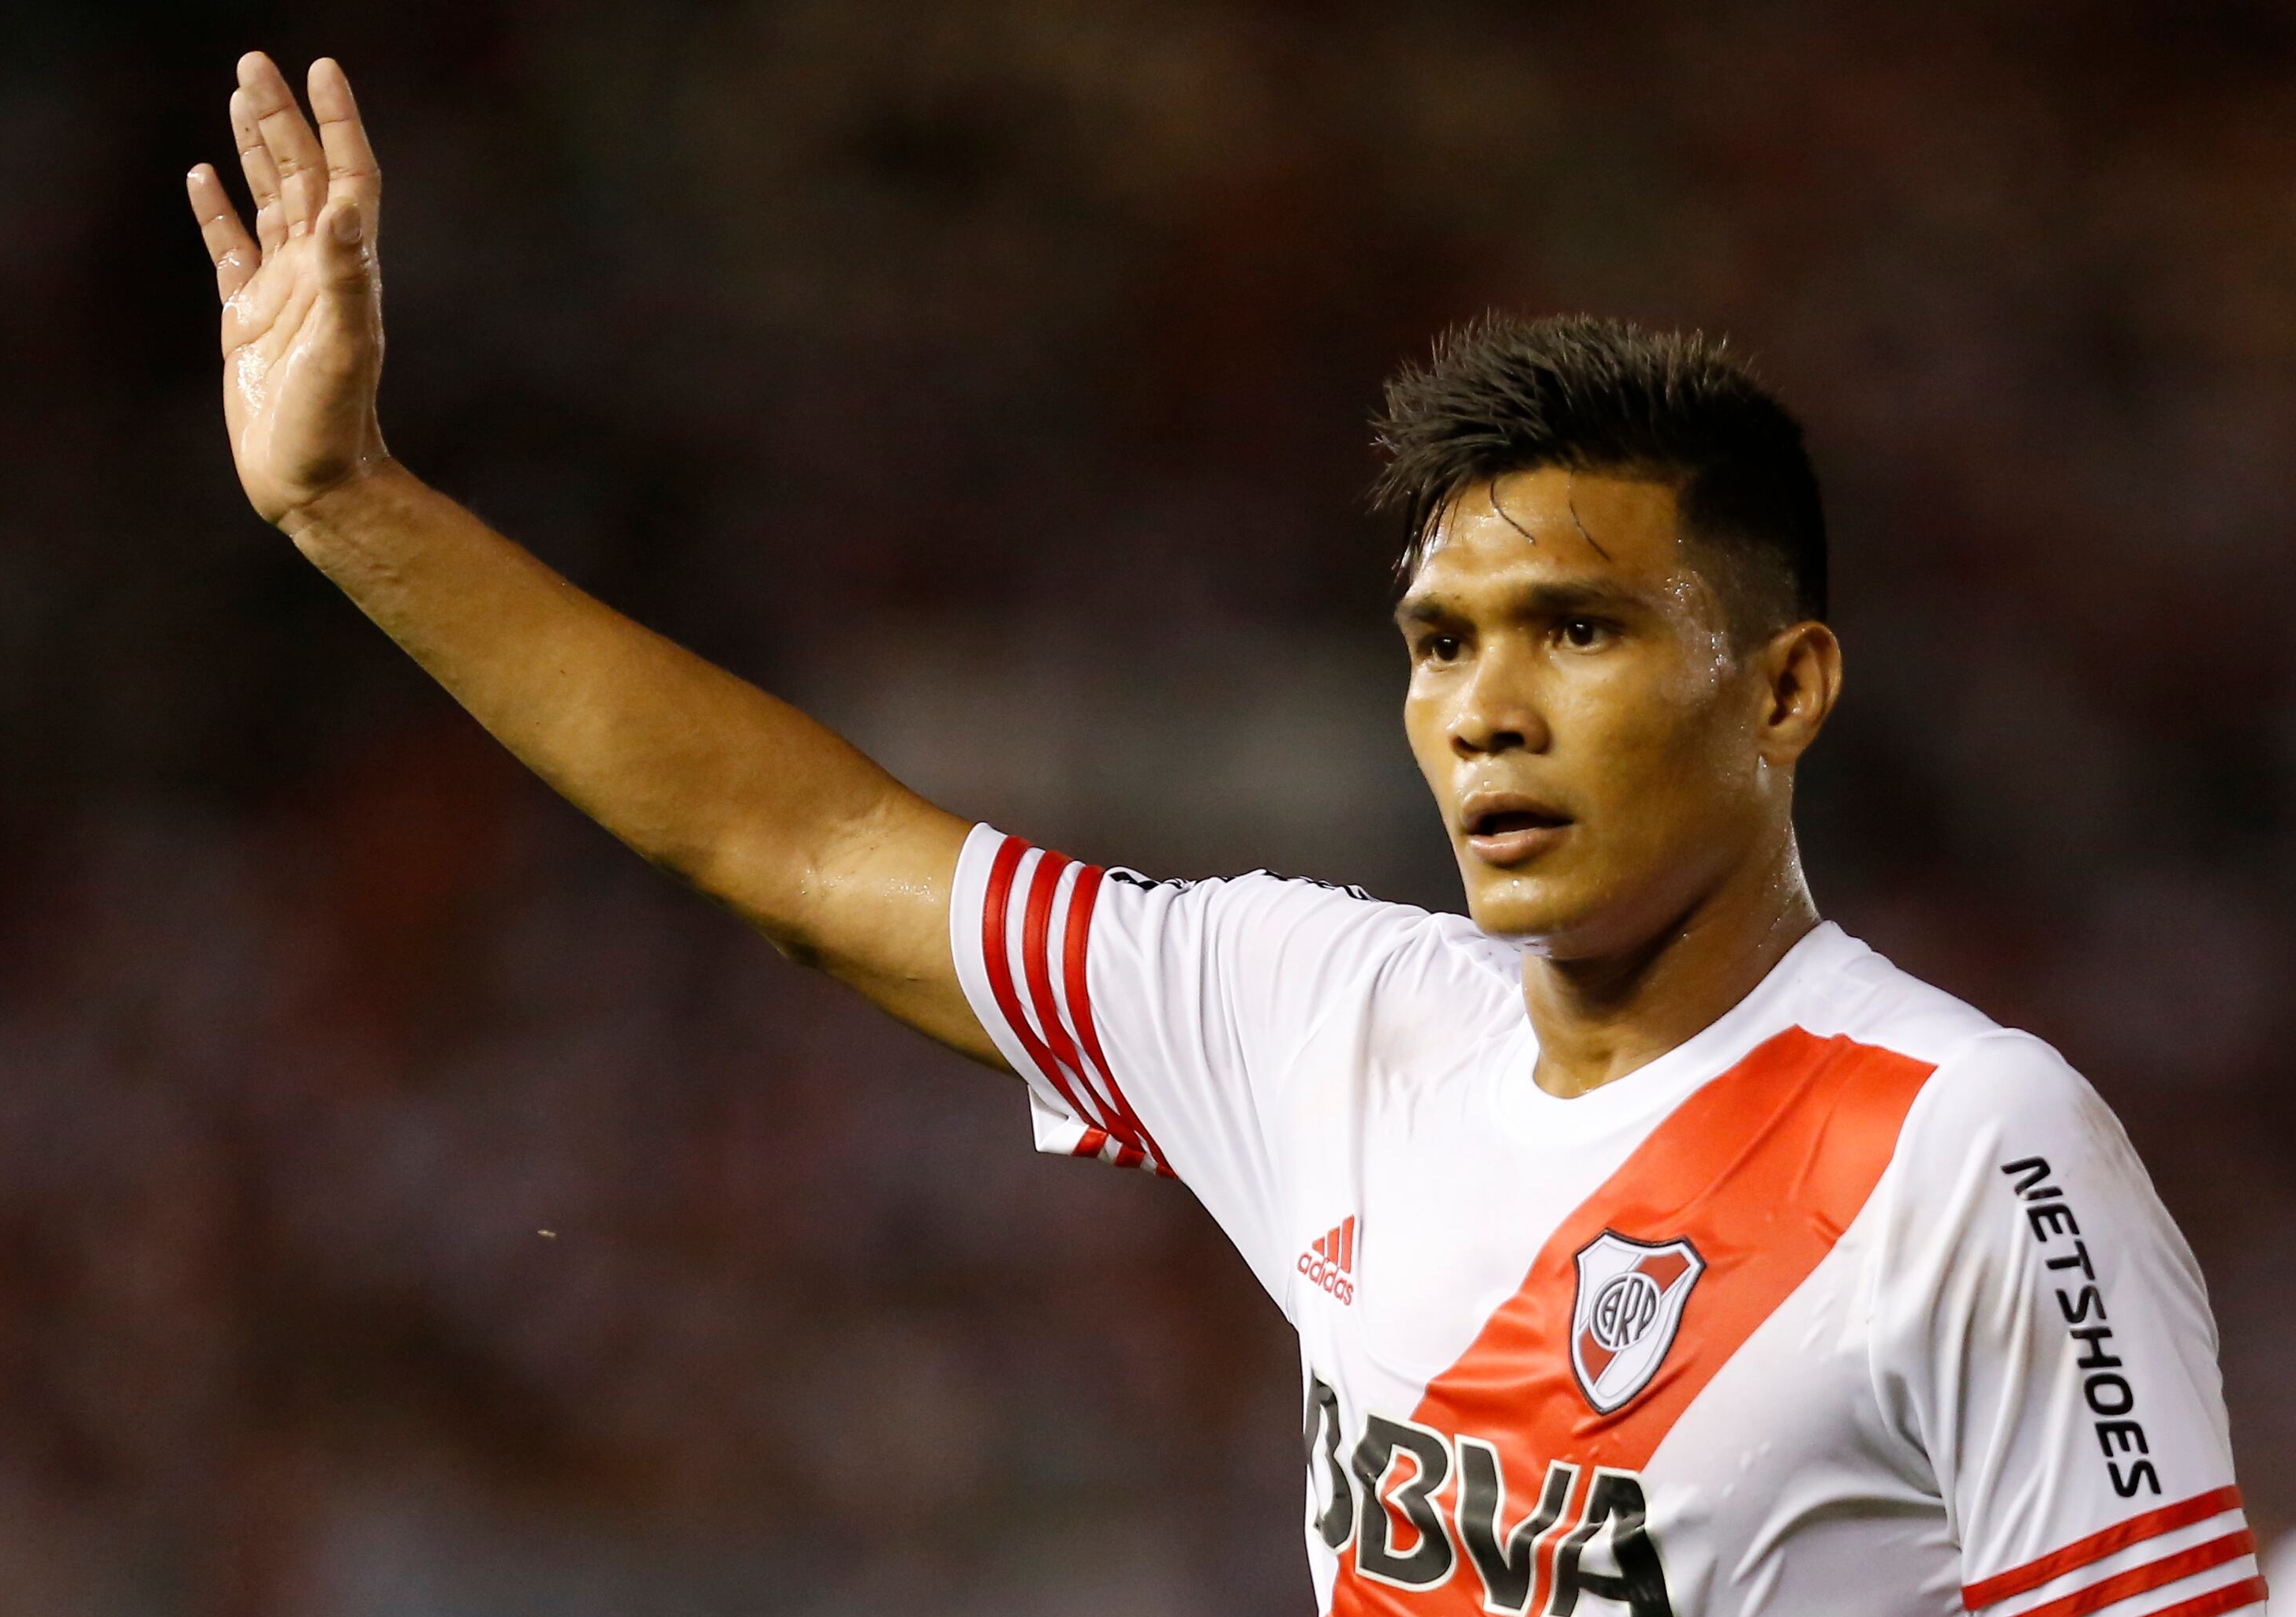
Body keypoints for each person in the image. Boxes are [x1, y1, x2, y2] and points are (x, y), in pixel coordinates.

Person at [185, 51, 2259, 1617]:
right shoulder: (1317, 1012)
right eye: (1442, 641)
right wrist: (348, 501)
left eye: (1582, 627)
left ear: (1786, 687)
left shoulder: (1973, 1148)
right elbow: (798, 845)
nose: (1488, 705)